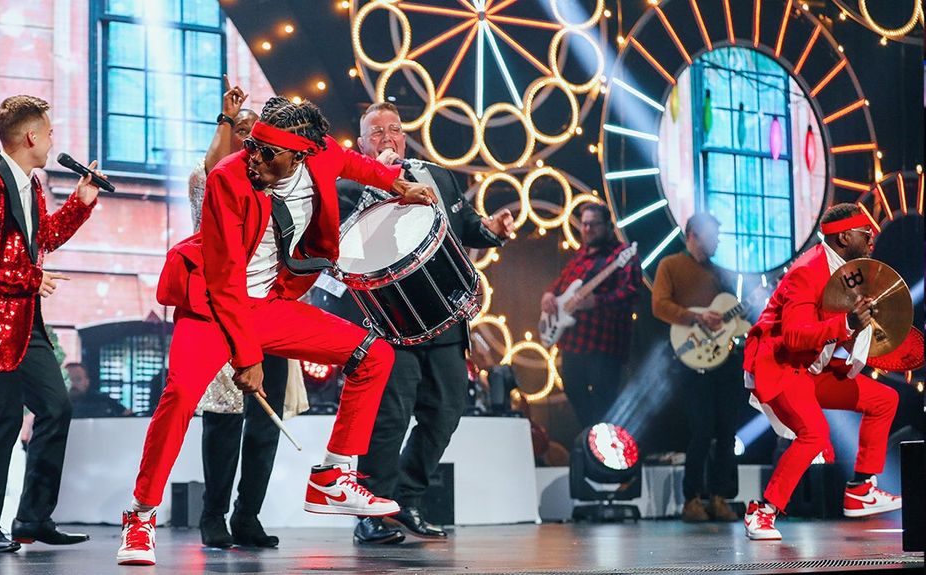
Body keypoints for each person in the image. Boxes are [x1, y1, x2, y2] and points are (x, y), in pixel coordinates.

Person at [116, 96, 436, 566]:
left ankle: (333, 475)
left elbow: (355, 165)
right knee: (181, 393)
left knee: (376, 355)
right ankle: (141, 516)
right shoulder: (229, 176)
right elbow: (224, 279)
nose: (256, 159)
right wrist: (247, 358)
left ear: (303, 153)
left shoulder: (322, 152)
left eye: (269, 154)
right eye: (255, 147)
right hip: (211, 304)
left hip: (269, 304)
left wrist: (398, 184)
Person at [343, 101, 514, 544]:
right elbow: (342, 241)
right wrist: (374, 178)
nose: (387, 138)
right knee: (390, 418)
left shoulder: (437, 175)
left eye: (393, 130)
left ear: (405, 135)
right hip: (390, 323)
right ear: (361, 144)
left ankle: (408, 500)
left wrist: (492, 228)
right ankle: (372, 511)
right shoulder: (347, 185)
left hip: (444, 321)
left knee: (446, 411)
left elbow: (466, 225)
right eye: (375, 133)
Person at [0, 95, 100, 553]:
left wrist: (81, 201)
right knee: (5, 419)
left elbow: (42, 238)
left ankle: (33, 518)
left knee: (56, 408)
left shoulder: (32, 186)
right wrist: (31, 276)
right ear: (31, 136)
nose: (52, 141)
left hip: (24, 321)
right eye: (49, 133)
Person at [741, 203, 901, 541]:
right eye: (864, 232)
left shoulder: (846, 269)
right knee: (813, 433)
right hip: (781, 365)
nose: (872, 236)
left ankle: (860, 489)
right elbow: (794, 335)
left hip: (810, 366)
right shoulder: (809, 270)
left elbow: (835, 330)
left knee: (884, 399)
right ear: (844, 236)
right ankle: (763, 511)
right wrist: (846, 323)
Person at [188, 79, 285, 549]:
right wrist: (227, 118)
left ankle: (249, 515)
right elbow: (211, 168)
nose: (252, 140)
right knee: (225, 417)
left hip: (274, 315)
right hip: (227, 315)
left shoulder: (278, 187)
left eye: (257, 133)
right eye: (243, 132)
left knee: (266, 422)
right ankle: (213, 515)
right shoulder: (210, 181)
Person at [651, 213, 742, 523]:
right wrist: (697, 317)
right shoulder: (671, 265)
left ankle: (719, 497)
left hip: (724, 357)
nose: (717, 241)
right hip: (691, 358)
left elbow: (733, 315)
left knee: (727, 429)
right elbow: (659, 305)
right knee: (702, 429)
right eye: (713, 235)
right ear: (694, 235)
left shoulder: (720, 273)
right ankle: (692, 498)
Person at [540, 203, 641, 430]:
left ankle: (599, 443)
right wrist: (548, 294)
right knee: (573, 389)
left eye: (593, 224)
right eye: (584, 224)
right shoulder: (580, 256)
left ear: (607, 226)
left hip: (605, 344)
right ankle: (590, 434)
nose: (587, 229)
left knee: (604, 401)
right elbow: (561, 284)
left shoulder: (622, 255)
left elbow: (631, 293)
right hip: (573, 343)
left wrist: (596, 301)